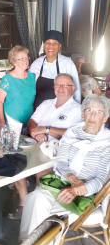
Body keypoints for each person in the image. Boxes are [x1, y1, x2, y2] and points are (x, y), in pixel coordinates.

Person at [19, 94, 110, 241]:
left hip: (85, 194)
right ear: (82, 114)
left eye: (98, 112)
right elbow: (60, 163)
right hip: (62, 183)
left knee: (39, 212)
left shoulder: (107, 142)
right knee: (35, 197)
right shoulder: (72, 132)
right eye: (88, 110)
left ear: (105, 118)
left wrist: (77, 189)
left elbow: (100, 179)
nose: (93, 115)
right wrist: (72, 178)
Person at [8, 74, 82, 220]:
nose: (60, 88)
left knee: (42, 171)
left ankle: (40, 209)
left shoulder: (77, 109)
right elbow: (31, 122)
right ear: (54, 87)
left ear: (72, 88)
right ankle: (25, 203)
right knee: (12, 160)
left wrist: (46, 130)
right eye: (57, 85)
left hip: (56, 150)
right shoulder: (46, 103)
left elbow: (73, 134)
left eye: (64, 85)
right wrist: (35, 133)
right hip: (35, 143)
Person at [30, 30, 81, 109]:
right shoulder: (36, 63)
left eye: (55, 43)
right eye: (48, 43)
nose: (51, 46)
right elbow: (29, 88)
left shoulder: (67, 63)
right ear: (44, 45)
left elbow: (76, 88)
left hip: (61, 109)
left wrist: (77, 108)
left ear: (60, 45)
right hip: (38, 109)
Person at [0, 45, 36, 129]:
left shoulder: (32, 77)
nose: (25, 60)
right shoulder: (7, 79)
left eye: (26, 58)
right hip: (12, 124)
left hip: (30, 124)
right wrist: (2, 121)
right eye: (21, 58)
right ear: (14, 61)